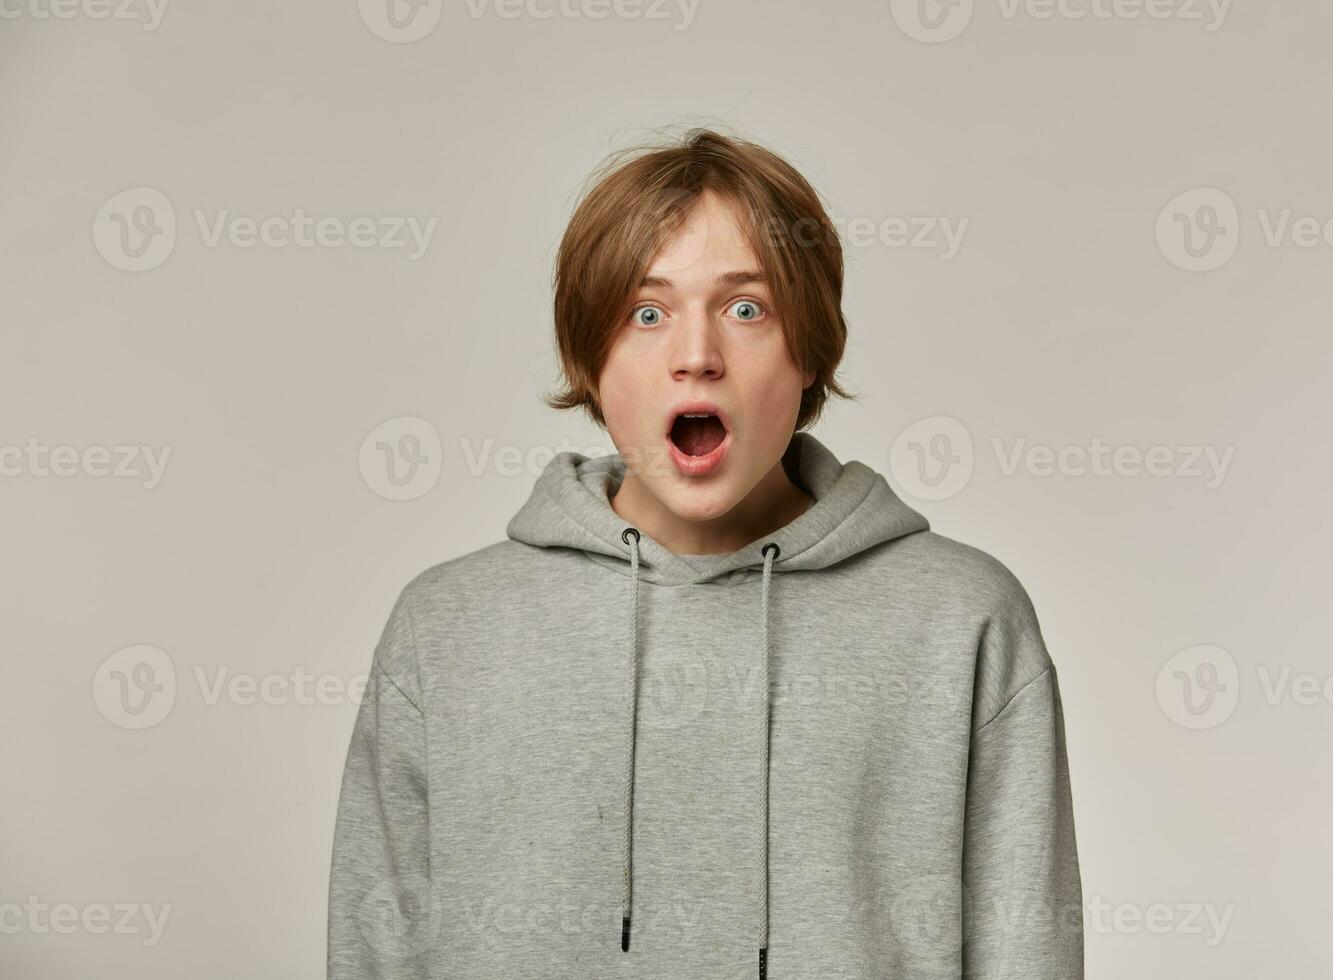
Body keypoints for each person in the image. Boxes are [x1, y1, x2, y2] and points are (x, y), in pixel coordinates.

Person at [327, 126, 1083, 979]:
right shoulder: (448, 627)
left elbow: (1027, 951)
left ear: (809, 351)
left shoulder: (962, 620)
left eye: (746, 309)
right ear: (590, 358)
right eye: (646, 314)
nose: (696, 357)